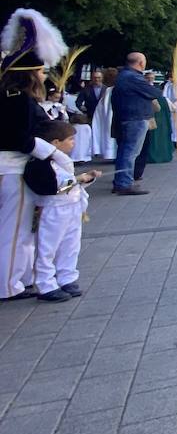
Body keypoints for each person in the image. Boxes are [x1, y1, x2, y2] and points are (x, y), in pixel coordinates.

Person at [1, 8, 66, 301]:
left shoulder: (10, 96)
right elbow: (18, 137)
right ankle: (8, 284)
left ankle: (17, 277)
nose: (44, 76)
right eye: (40, 71)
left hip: (10, 166)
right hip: (11, 167)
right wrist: (51, 151)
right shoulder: (17, 98)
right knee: (14, 230)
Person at [24, 121, 99, 301]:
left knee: (70, 245)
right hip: (52, 210)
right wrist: (77, 180)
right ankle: (45, 283)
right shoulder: (39, 164)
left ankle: (67, 277)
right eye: (70, 139)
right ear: (56, 143)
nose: (73, 143)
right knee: (47, 248)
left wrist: (83, 179)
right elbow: (49, 188)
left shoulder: (61, 161)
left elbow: (69, 184)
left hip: (71, 209)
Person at [111, 52, 165, 195]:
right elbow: (154, 92)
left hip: (128, 117)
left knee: (125, 151)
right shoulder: (133, 77)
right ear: (141, 63)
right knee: (130, 152)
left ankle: (121, 181)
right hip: (135, 118)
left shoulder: (124, 76)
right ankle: (124, 183)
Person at [140, 79, 175, 166]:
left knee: (151, 141)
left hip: (151, 123)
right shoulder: (164, 99)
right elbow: (174, 108)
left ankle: (150, 156)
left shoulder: (146, 98)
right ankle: (164, 156)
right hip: (163, 124)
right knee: (162, 140)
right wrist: (176, 101)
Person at [89, 66, 117, 161]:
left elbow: (101, 107)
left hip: (109, 117)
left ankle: (110, 154)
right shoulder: (109, 91)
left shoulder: (108, 91)